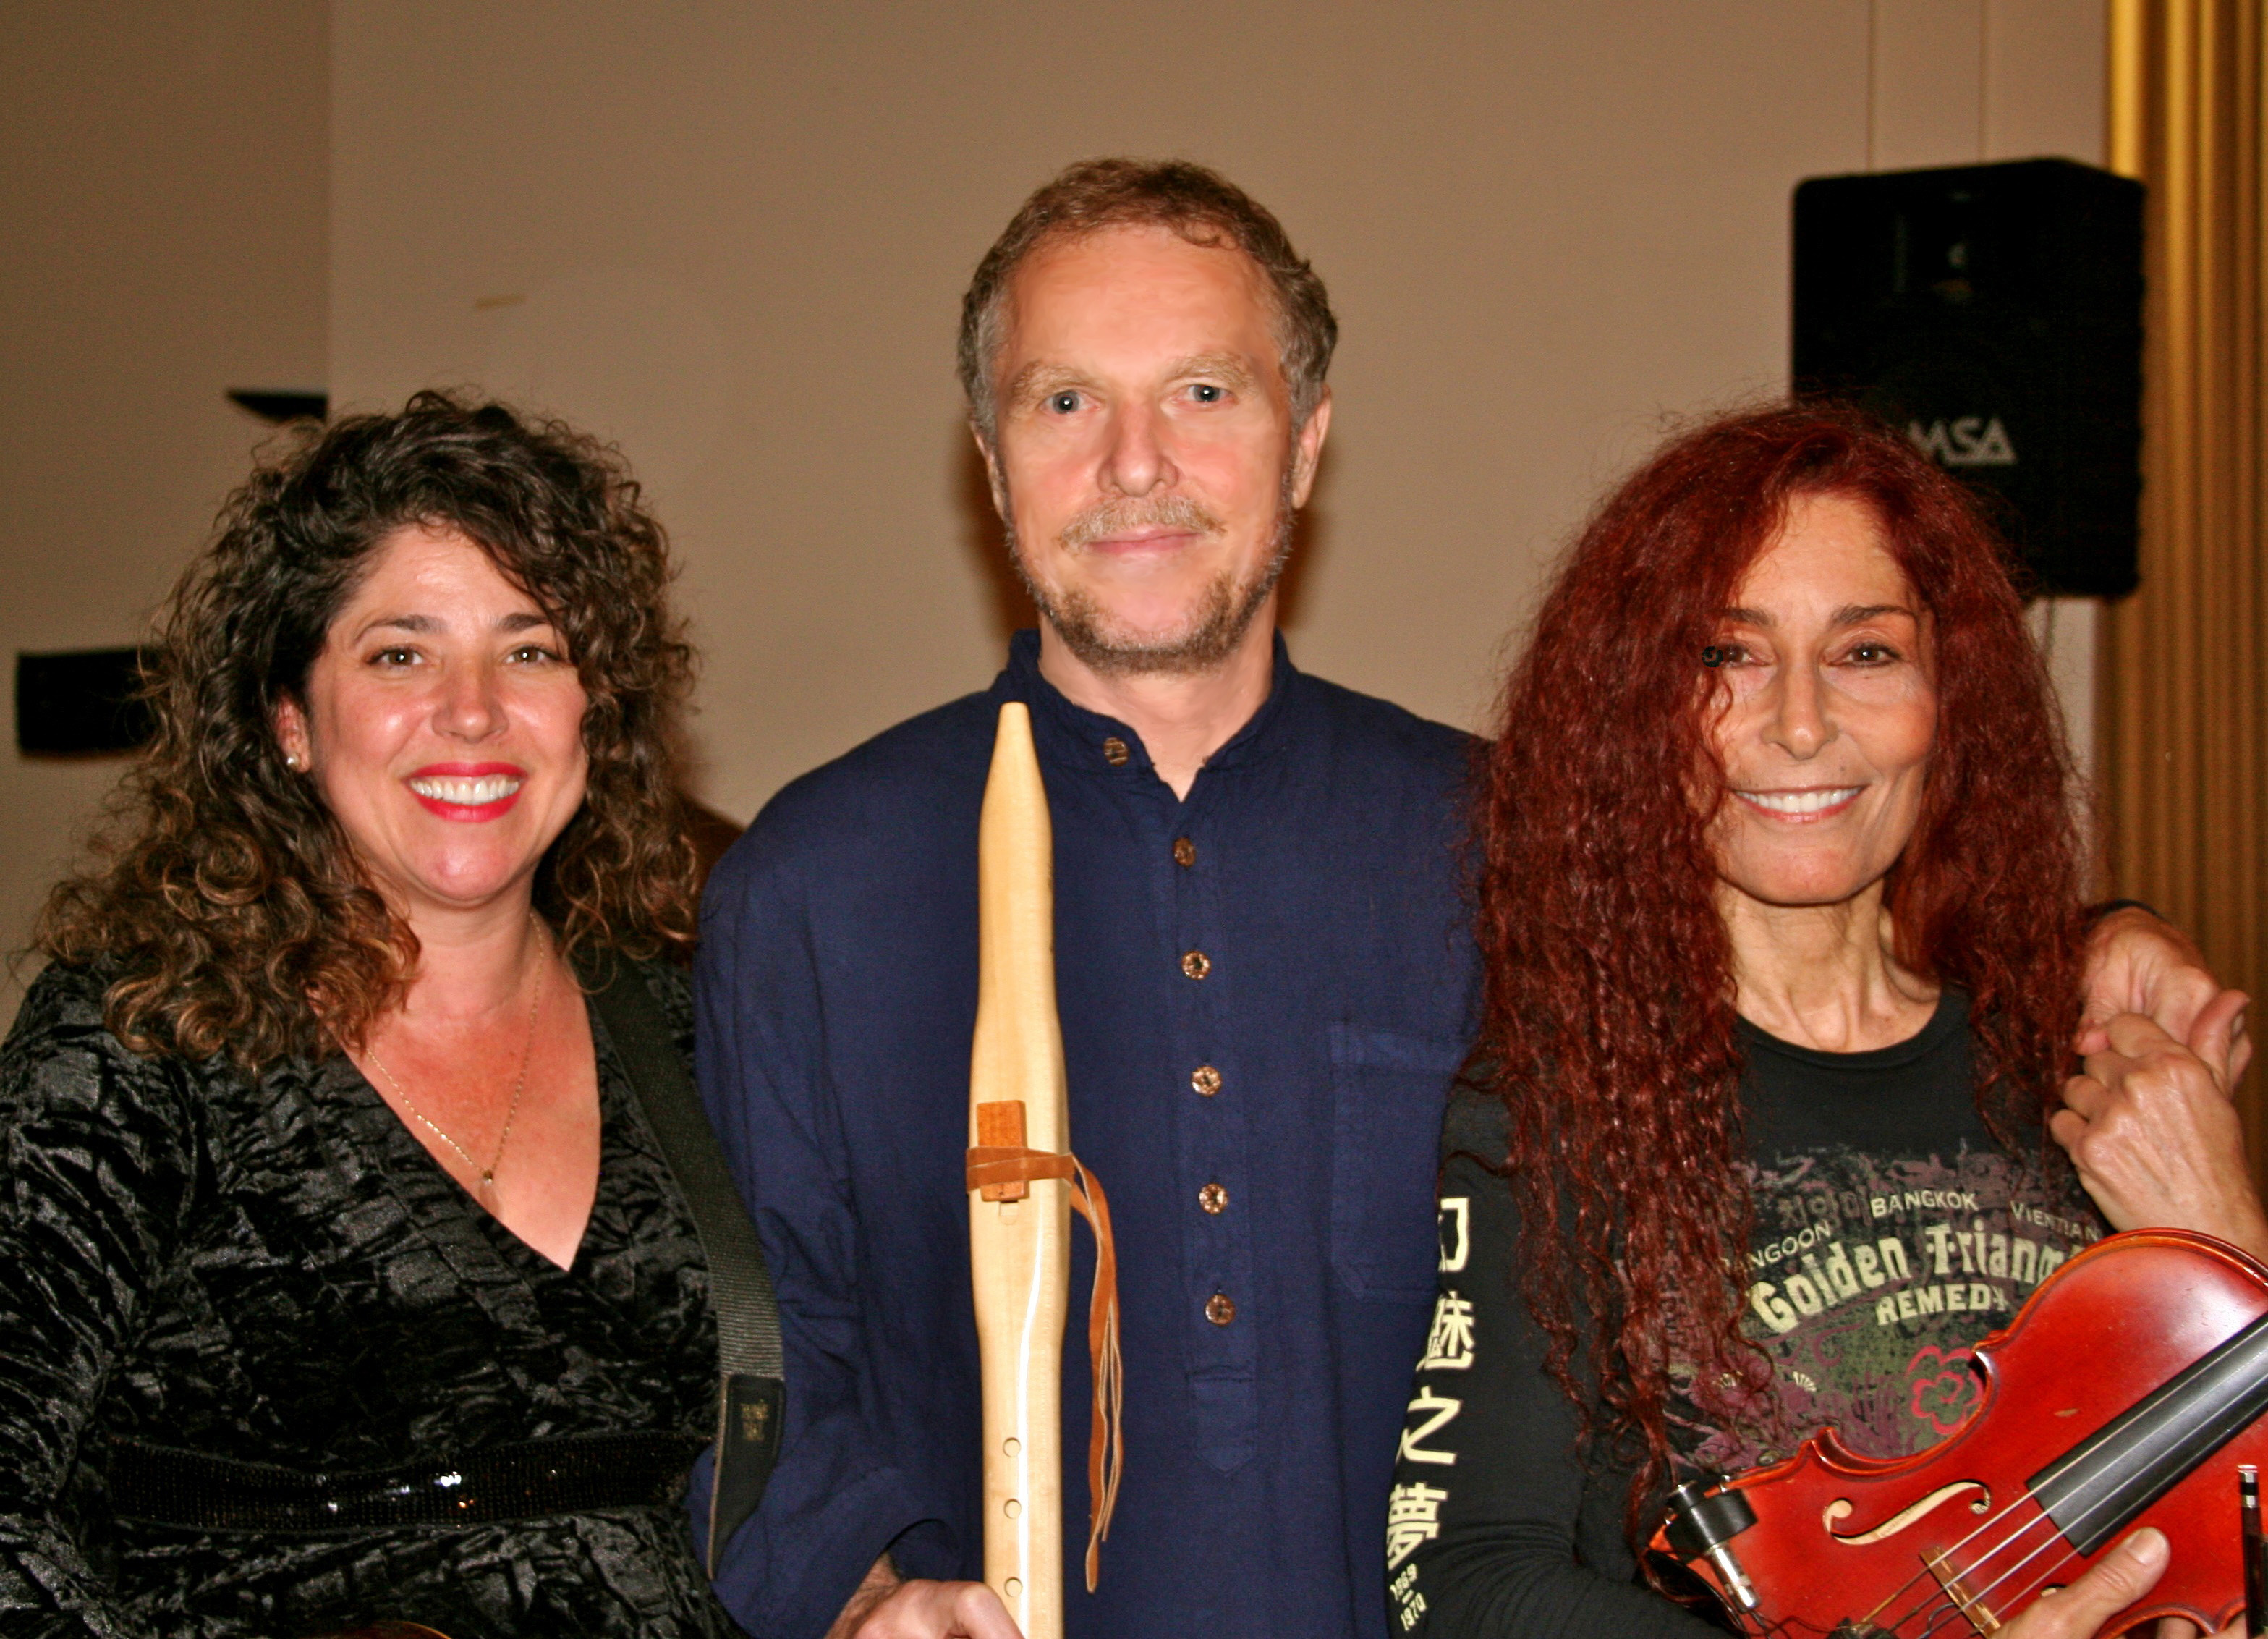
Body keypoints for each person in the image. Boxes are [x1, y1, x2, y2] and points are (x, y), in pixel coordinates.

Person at [695, 162, 2233, 1639]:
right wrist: (856, 1593)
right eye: (1064, 400)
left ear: (1305, 443)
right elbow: (751, 1363)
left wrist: (2113, 941)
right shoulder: (814, 886)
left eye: (1206, 392)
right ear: (988, 455)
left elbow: (1854, 919)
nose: (1134, 463)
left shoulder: (1522, 842)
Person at [1388, 402, 2264, 1638]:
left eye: (1866, 653)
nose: (1800, 723)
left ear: (1950, 701)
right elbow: (1463, 1580)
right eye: (1725, 656)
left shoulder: (2080, 1066)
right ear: (1634, 709)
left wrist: (2228, 1234)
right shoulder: (1557, 1099)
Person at [0, 392, 744, 1637]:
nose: (471, 709)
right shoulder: (144, 1038)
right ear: (290, 720)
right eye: (400, 652)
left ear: (594, 713)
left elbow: (825, 1435)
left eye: (532, 648)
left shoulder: (697, 1033)